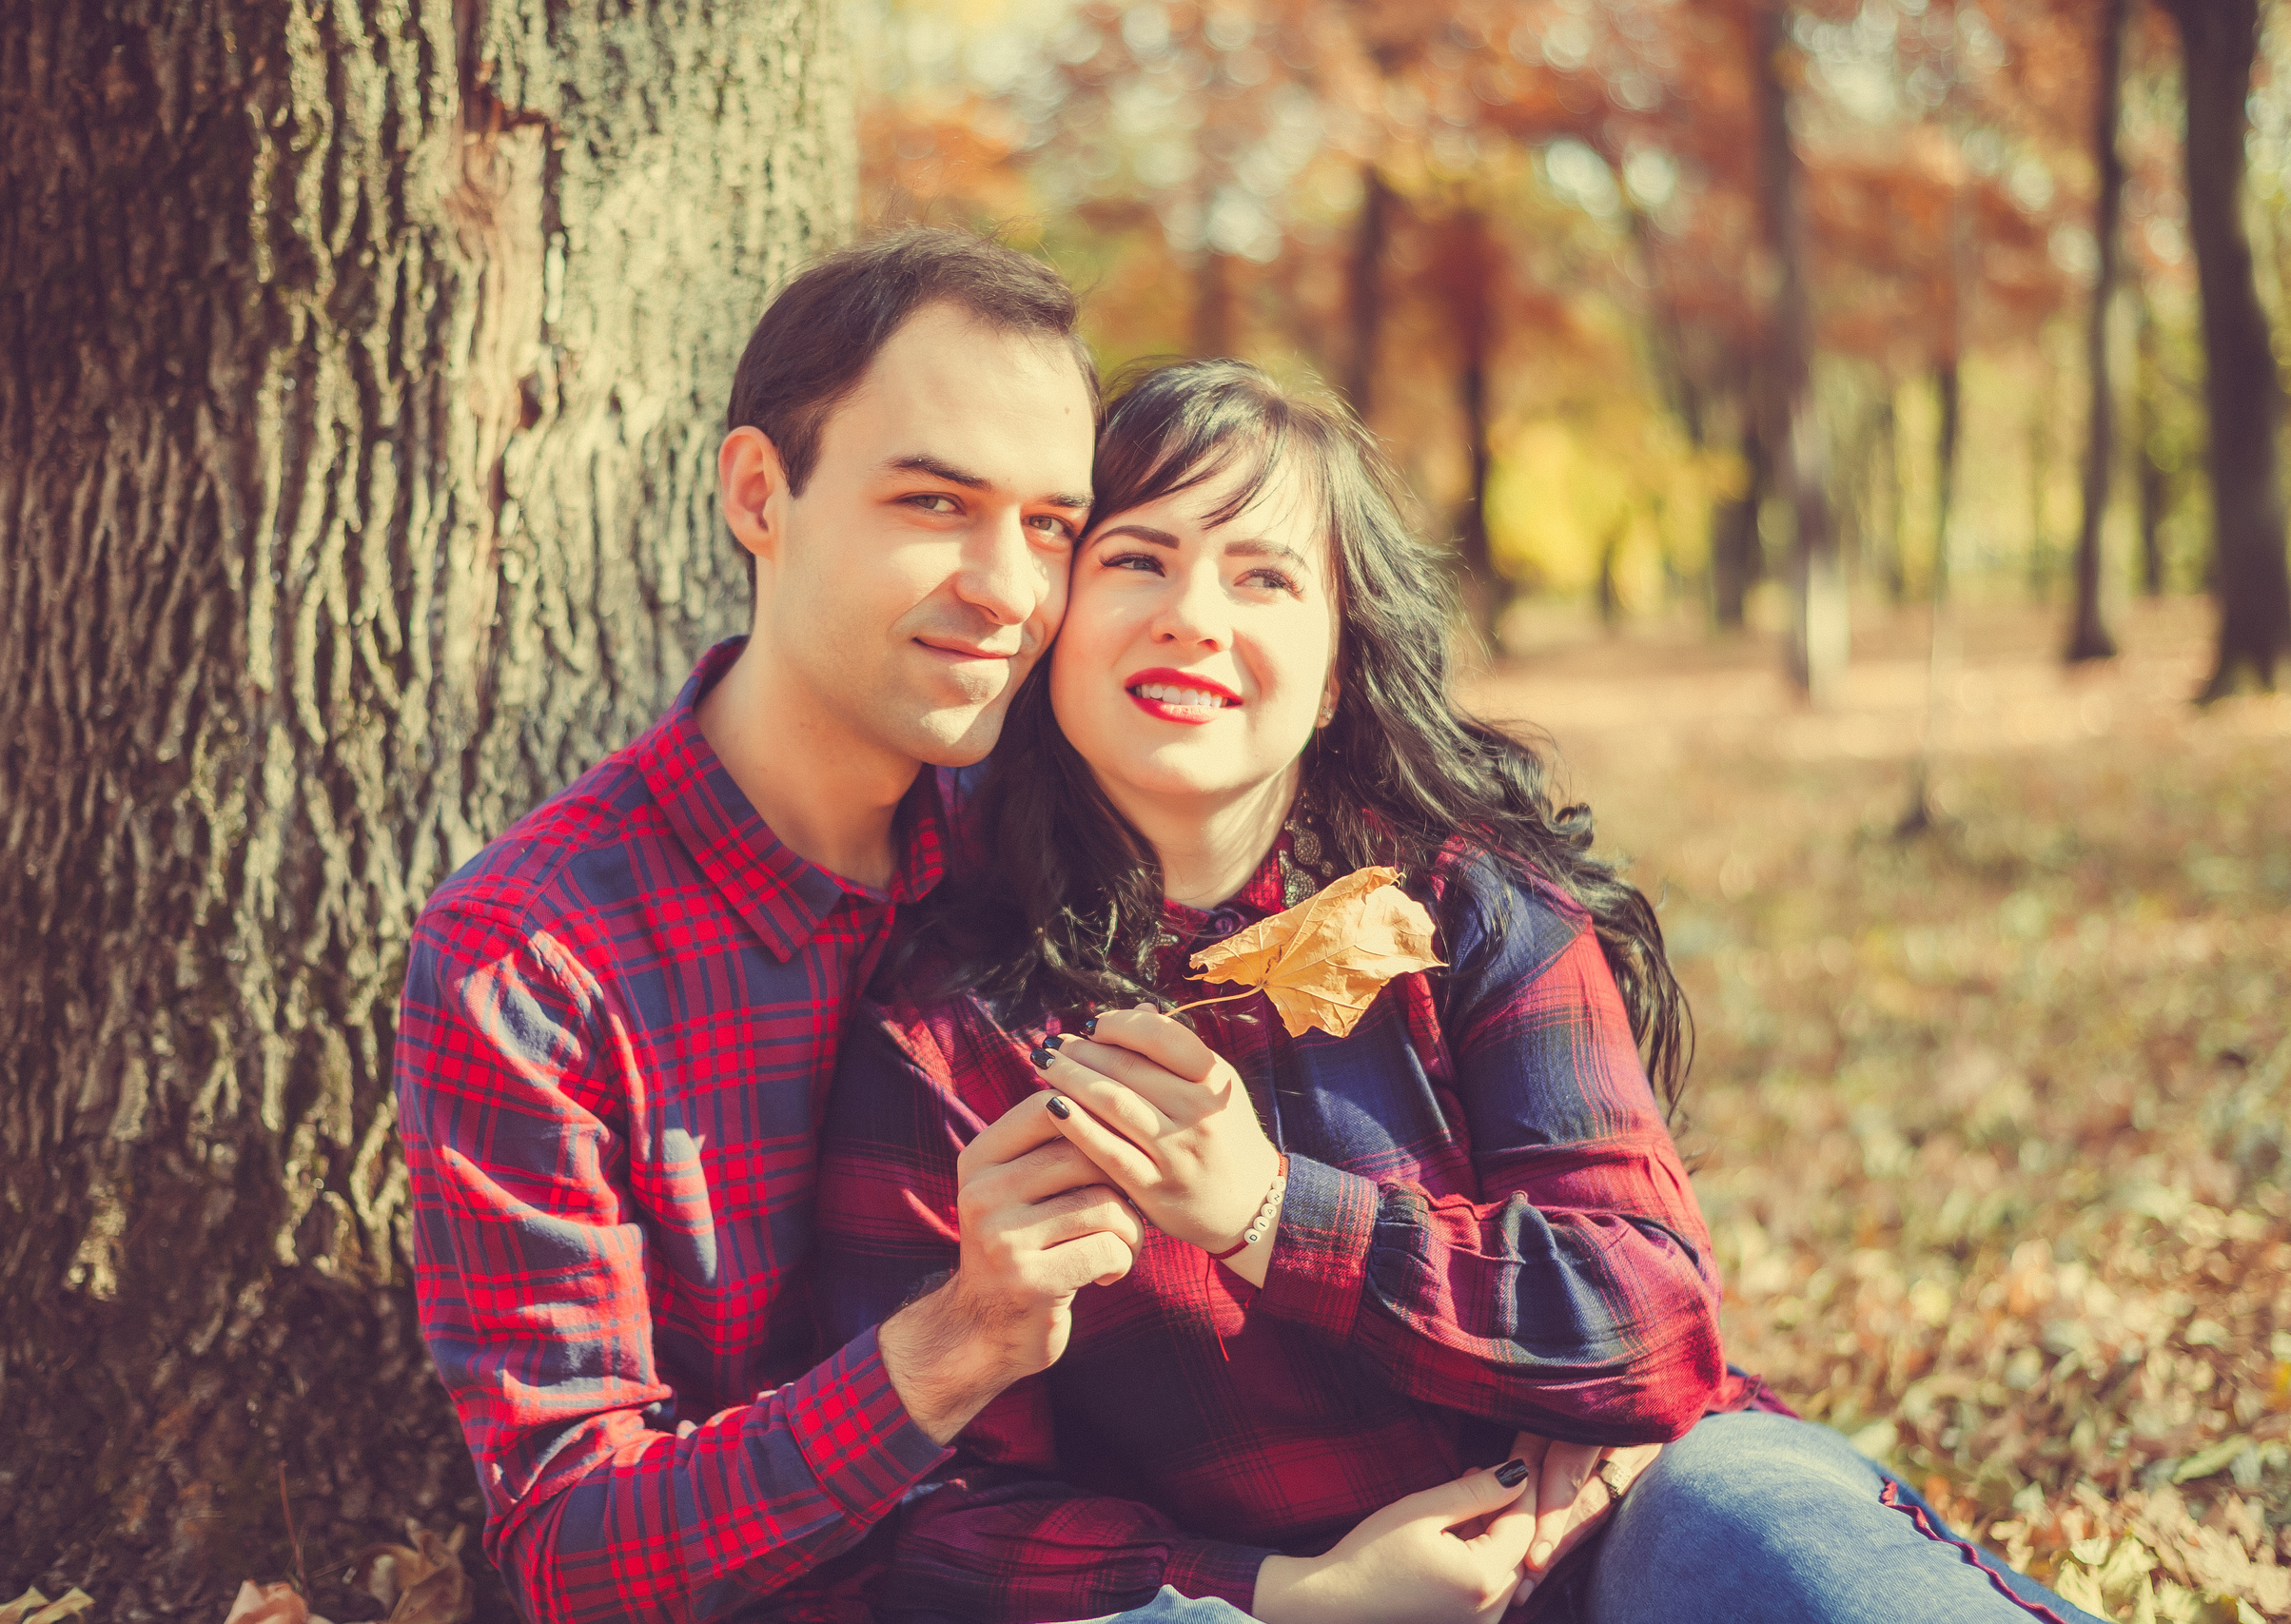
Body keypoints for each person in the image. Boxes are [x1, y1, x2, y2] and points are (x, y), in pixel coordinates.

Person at [395, 228, 1614, 1624]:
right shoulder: (535, 960)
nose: (1009, 587)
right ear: (757, 495)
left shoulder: (1075, 834)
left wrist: (1590, 1393)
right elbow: (572, 1552)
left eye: (1050, 525)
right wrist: (954, 1346)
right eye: (933, 503)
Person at [813, 359, 2111, 1624]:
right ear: (1054, 626)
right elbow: (940, 1522)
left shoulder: (1462, 907)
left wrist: (1269, 1212)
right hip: (1276, 1603)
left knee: (1736, 1513)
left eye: (1264, 576)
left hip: (1624, 1531)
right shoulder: (950, 1034)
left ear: (1330, 679)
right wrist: (1297, 1595)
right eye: (1138, 559)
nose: (1193, 615)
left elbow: (1657, 1324)